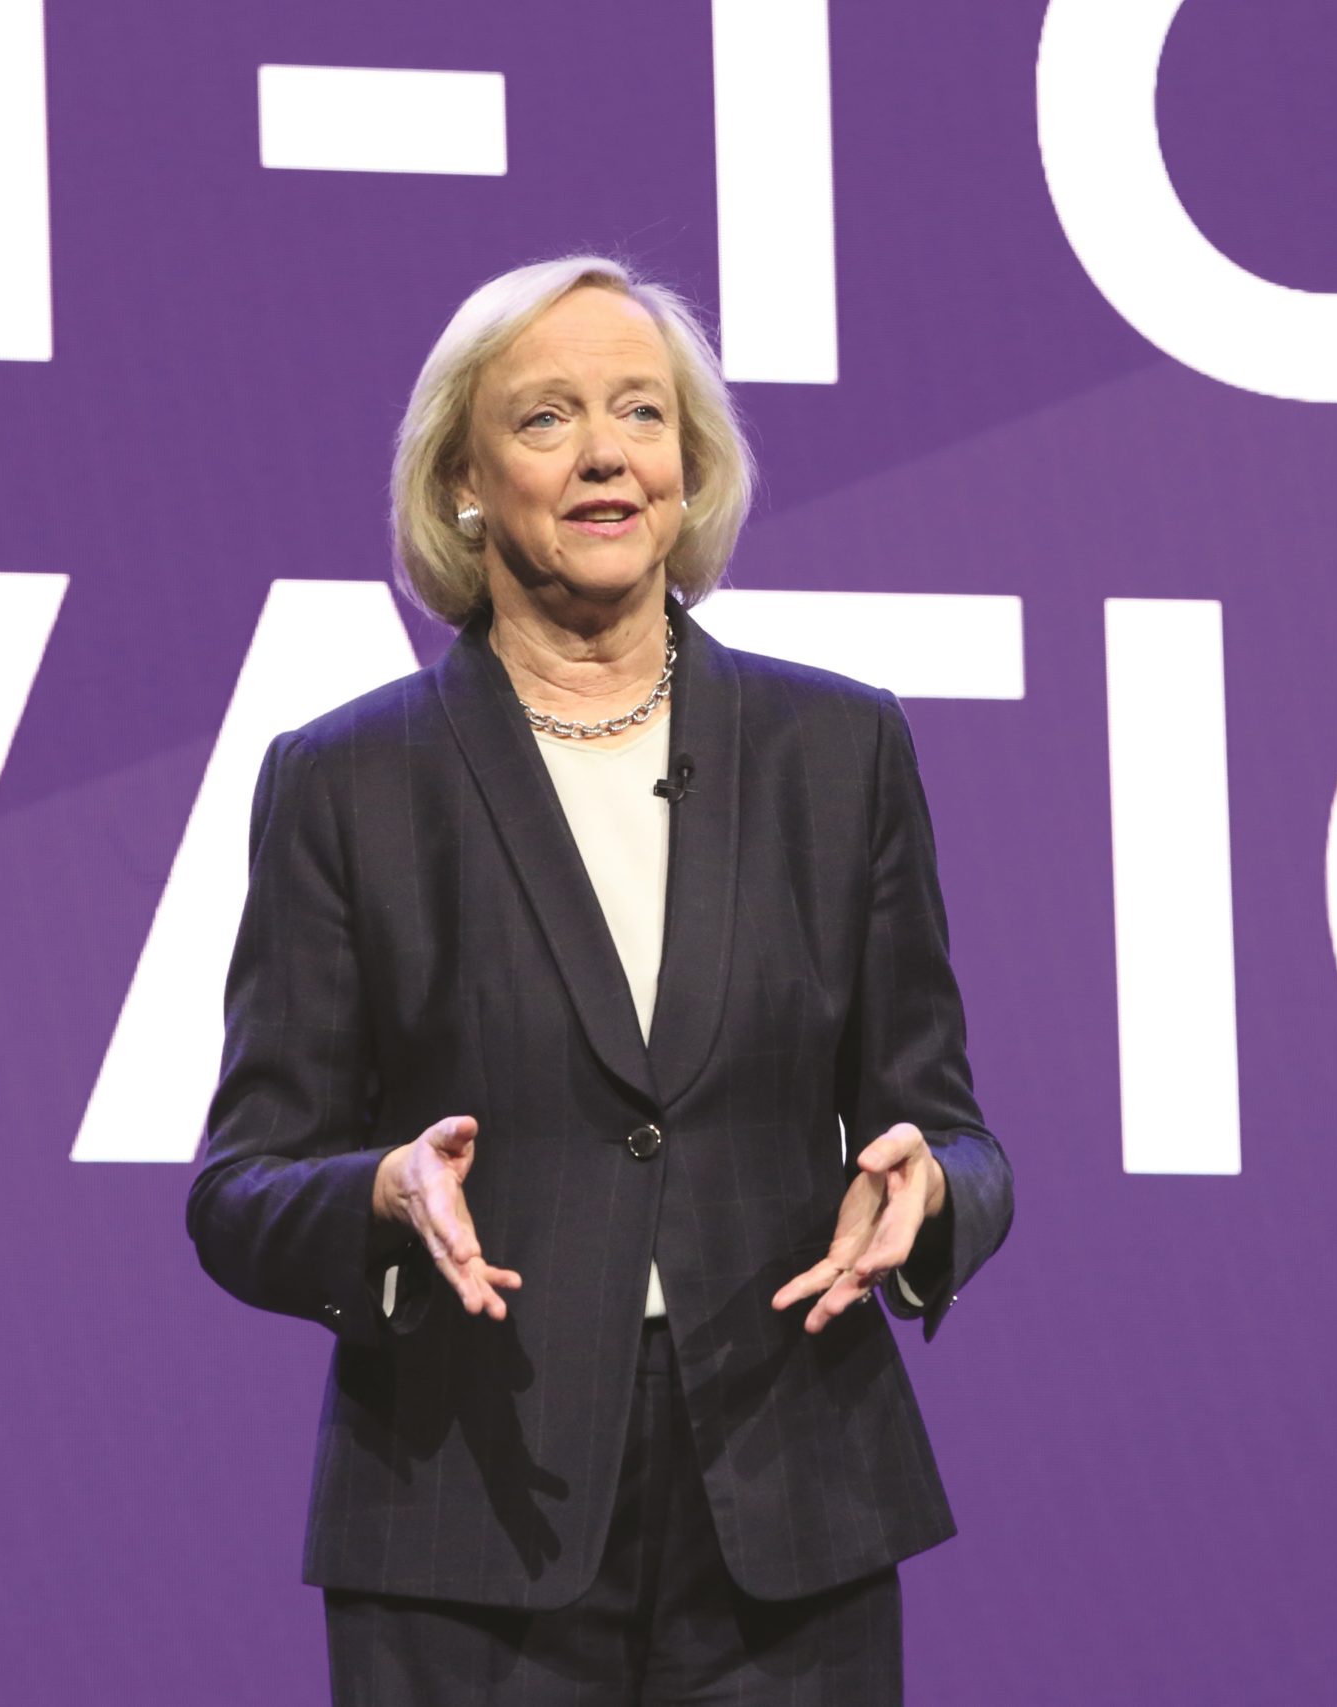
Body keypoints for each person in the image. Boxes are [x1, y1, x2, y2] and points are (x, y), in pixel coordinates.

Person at [185, 254, 1013, 1705]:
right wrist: (380, 1193)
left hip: (790, 1504)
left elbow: (950, 1129)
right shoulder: (346, 781)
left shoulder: (840, 754)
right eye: (547, 417)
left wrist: (932, 1192)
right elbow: (242, 1189)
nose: (606, 454)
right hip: (466, 1515)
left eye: (642, 411)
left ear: (689, 469)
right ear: (463, 481)